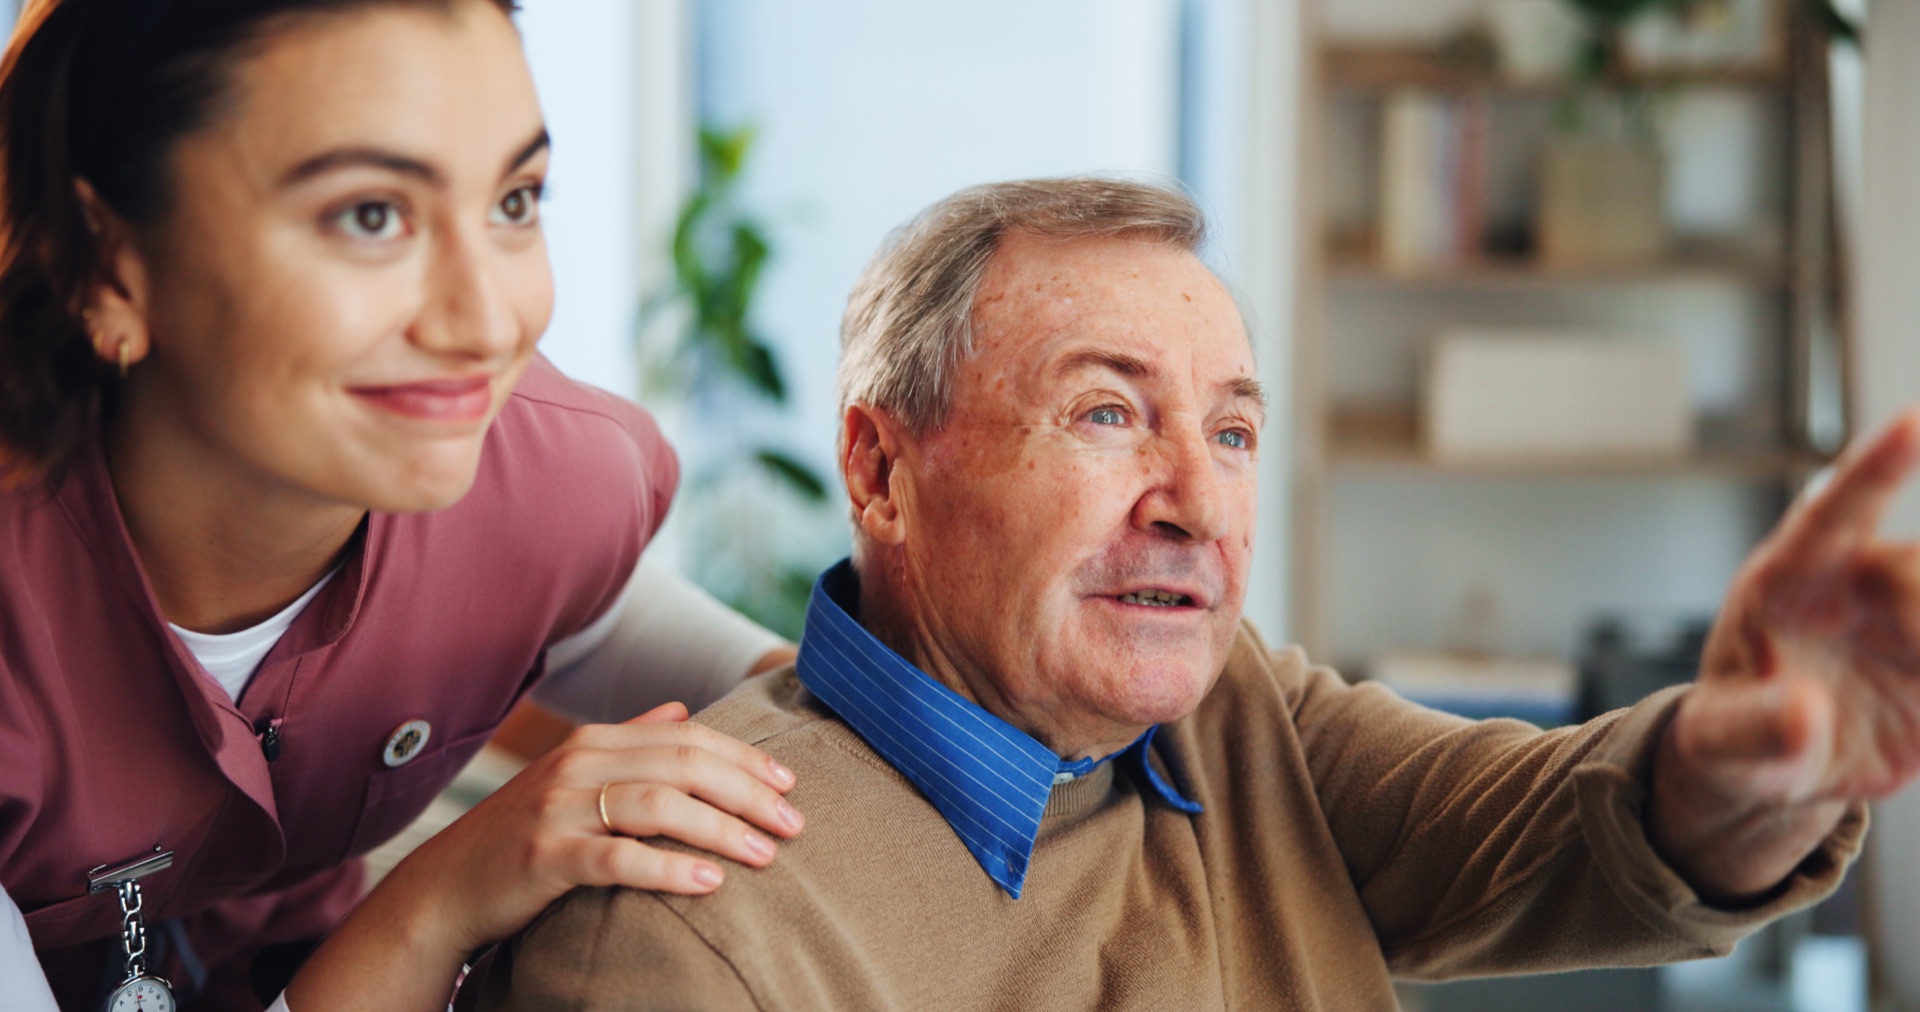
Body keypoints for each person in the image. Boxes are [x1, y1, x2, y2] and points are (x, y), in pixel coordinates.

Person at [461, 177, 1916, 1009]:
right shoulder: (682, 927)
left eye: (1230, 431)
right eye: (1106, 415)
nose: (1200, 503)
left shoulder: (1241, 720)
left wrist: (1743, 766)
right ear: (882, 470)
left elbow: (1580, 834)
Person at [0, 1, 811, 1009]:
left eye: (515, 200)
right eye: (370, 215)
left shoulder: (542, 469)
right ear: (104, 265)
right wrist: (436, 901)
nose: (484, 324)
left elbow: (606, 620)